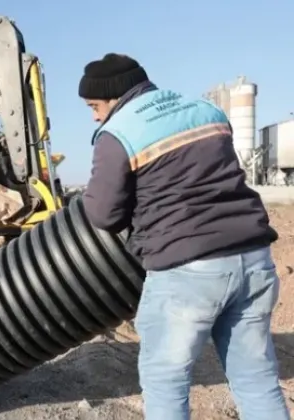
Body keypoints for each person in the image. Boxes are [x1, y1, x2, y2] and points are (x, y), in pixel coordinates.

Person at [78, 53, 289, 419]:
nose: (95, 115)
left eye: (94, 106)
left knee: (166, 379)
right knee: (256, 378)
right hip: (253, 259)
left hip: (187, 271)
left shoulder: (119, 131)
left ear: (114, 96)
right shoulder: (206, 111)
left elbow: (103, 214)